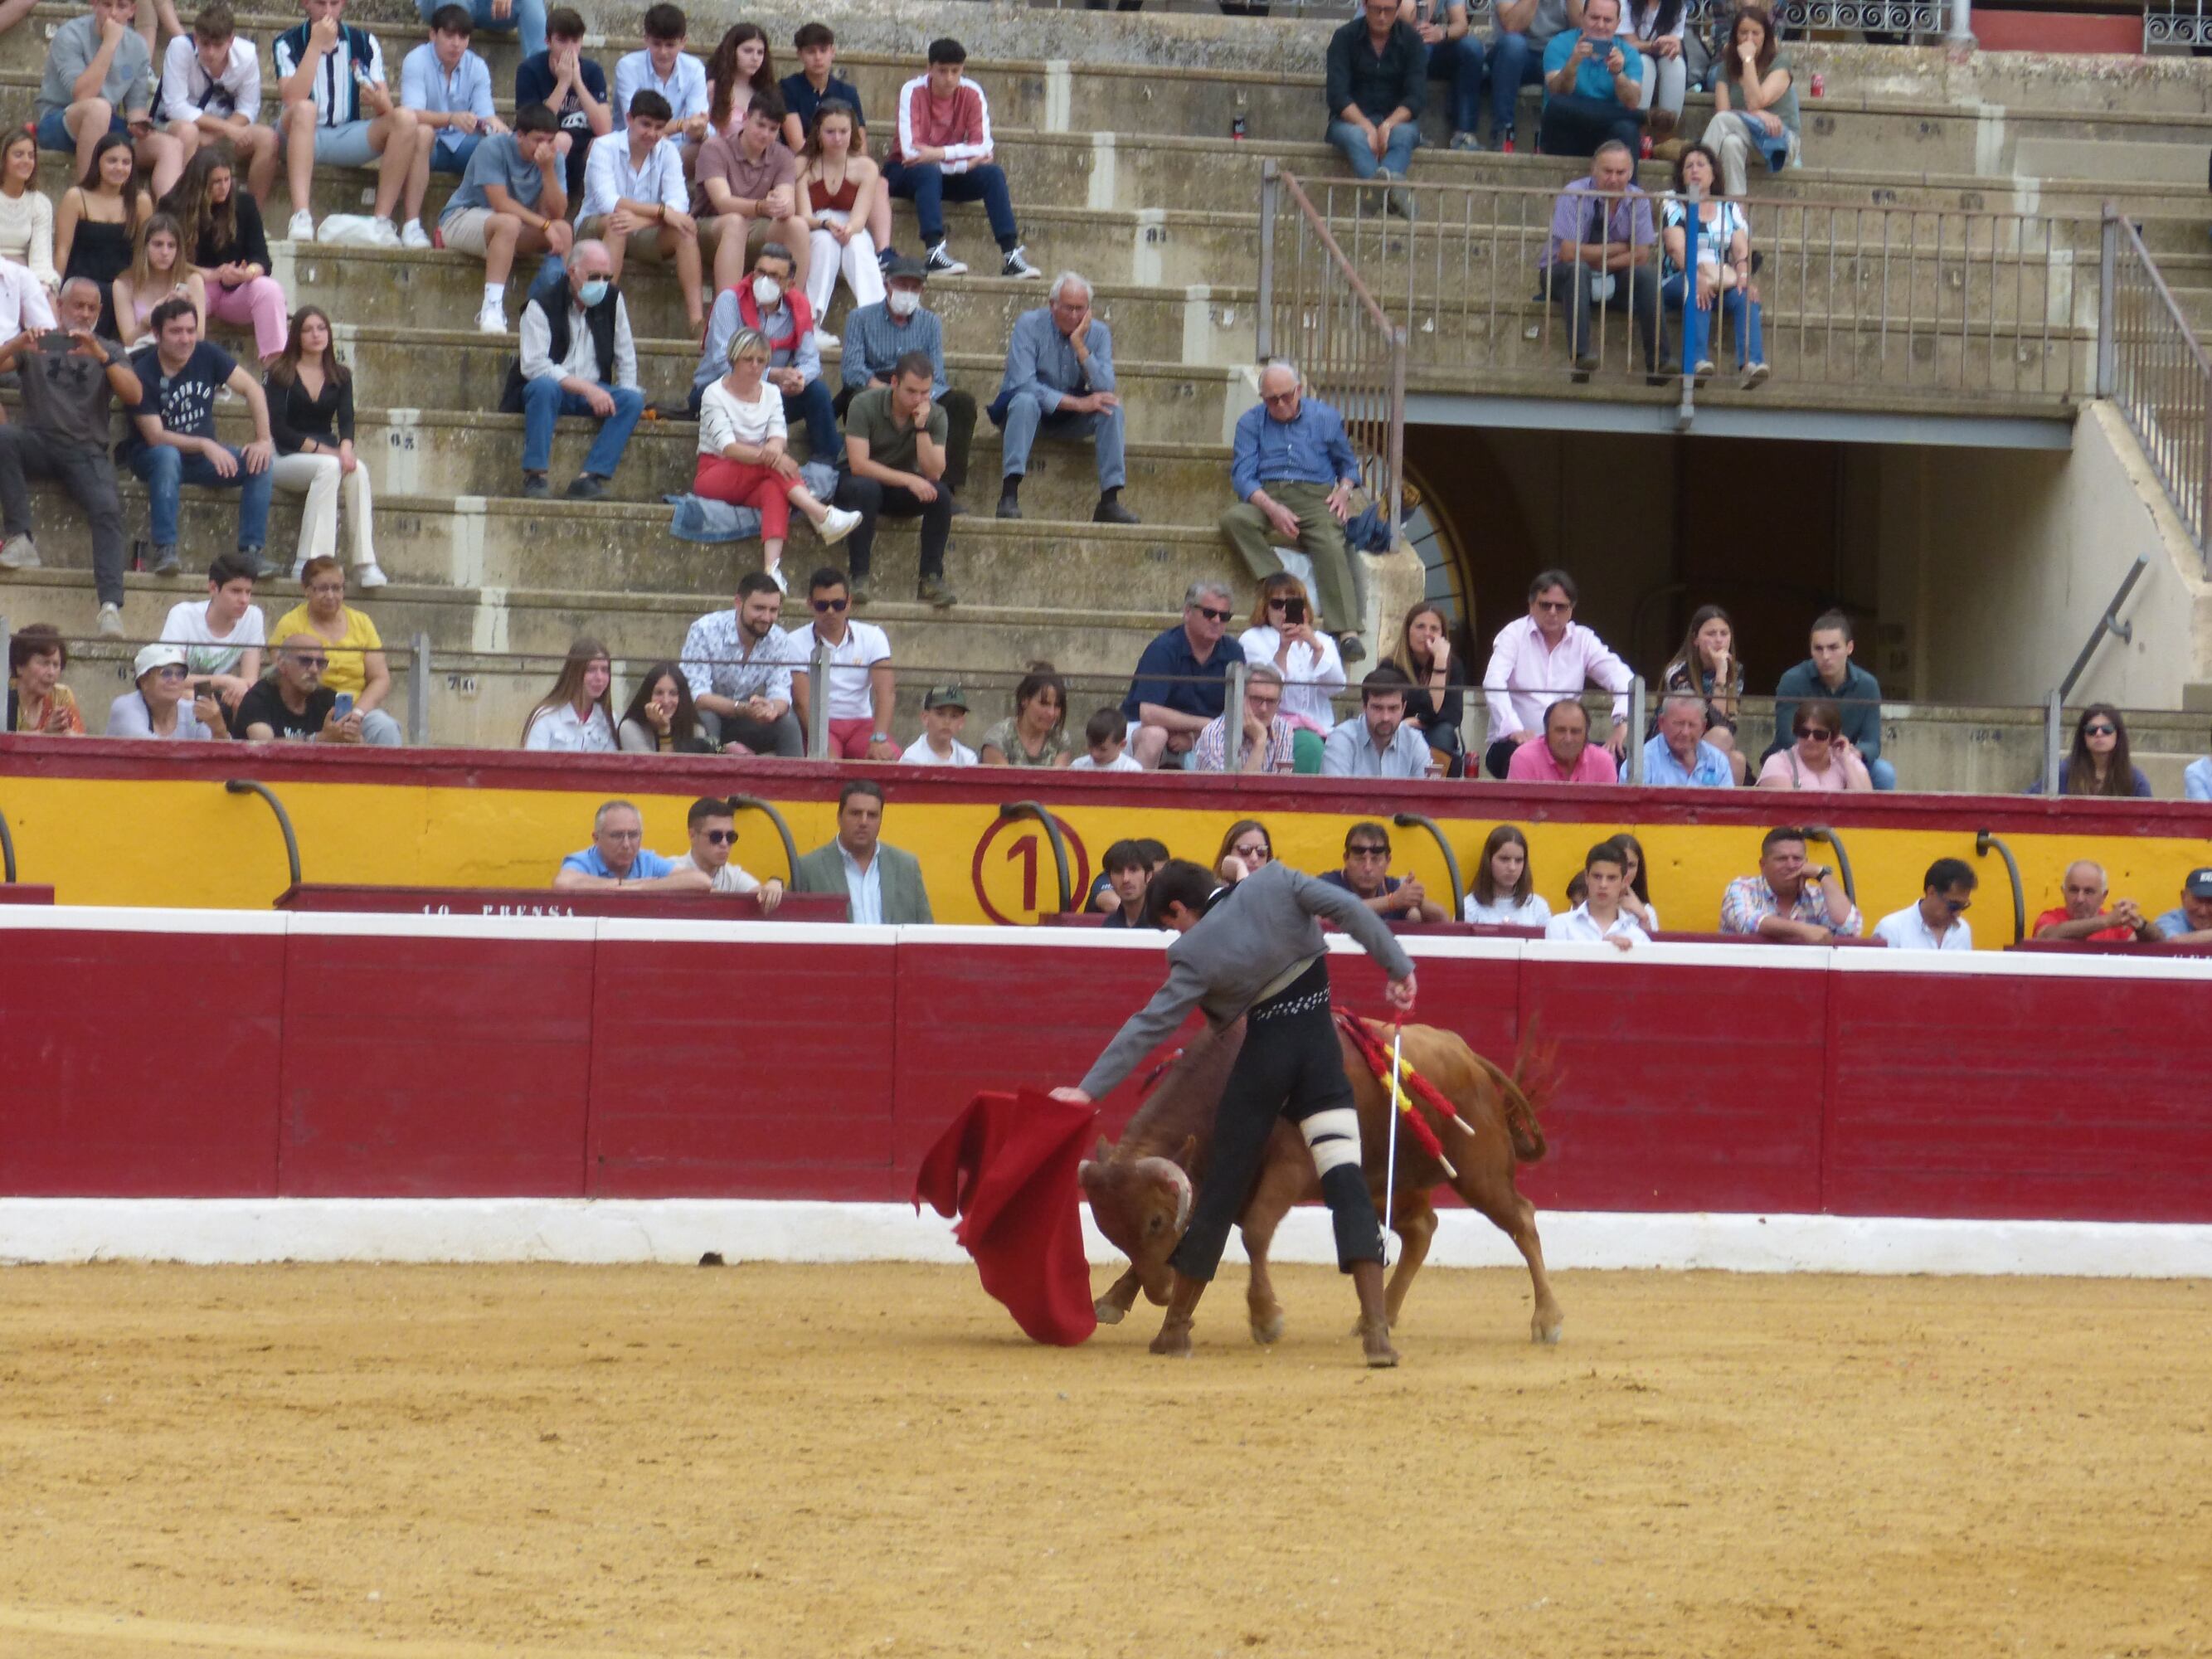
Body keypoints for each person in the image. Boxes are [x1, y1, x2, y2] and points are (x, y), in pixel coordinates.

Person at [1048, 856, 1417, 1367]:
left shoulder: (1195, 950)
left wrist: (1089, 1091)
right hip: (1320, 1058)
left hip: (1263, 1061)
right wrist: (1399, 968)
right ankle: (1377, 1332)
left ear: (1179, 908)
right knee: (1346, 1180)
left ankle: (1176, 1328)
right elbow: (1349, 909)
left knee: (1220, 1192)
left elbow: (1148, 1026)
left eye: (1171, 923)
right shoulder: (1279, 880)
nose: (1174, 933)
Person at [0, 276, 140, 636]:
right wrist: (13, 344)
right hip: (39, 441)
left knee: (107, 508)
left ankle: (110, 606)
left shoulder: (108, 348)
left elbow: (135, 396)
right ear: (59, 307)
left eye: (93, 308)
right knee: (2, 436)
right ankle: (20, 539)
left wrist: (102, 356)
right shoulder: (36, 343)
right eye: (78, 305)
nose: (85, 313)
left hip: (87, 452)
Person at [693, 325, 862, 592]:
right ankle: (820, 513)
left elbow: (778, 434)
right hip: (715, 472)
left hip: (757, 471)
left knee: (774, 489)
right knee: (774, 469)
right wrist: (772, 458)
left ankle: (772, 569)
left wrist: (774, 453)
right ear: (734, 359)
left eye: (761, 360)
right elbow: (727, 447)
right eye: (749, 359)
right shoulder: (714, 393)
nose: (755, 366)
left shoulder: (771, 392)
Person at [1220, 362, 1366, 661]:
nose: (1281, 404)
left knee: (1329, 539)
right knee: (1233, 520)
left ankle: (1347, 631)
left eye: (1286, 396)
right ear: (1262, 398)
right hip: (1268, 494)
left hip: (1316, 494)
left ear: (1299, 389)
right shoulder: (1250, 422)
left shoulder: (1325, 416)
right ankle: (1279, 583)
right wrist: (1272, 509)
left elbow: (1348, 464)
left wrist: (1344, 490)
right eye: (1272, 399)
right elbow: (1243, 476)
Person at [121, 297, 275, 577]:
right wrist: (206, 444)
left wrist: (263, 440)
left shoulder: (206, 354)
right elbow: (155, 436)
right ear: (157, 335)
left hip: (201, 460)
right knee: (167, 456)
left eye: (191, 331)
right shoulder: (142, 372)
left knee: (261, 461)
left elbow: (253, 389)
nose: (186, 339)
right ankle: (165, 550)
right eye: (176, 332)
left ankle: (252, 552)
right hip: (152, 457)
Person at [882, 38, 1039, 280]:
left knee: (992, 174)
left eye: (955, 71)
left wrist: (938, 154)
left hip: (941, 173)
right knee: (928, 172)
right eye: (942, 71)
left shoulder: (972, 92)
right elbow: (912, 153)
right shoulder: (911, 91)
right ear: (930, 69)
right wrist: (964, 162)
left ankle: (1010, 255)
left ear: (962, 69)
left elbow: (984, 146)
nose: (949, 78)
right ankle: (934, 252)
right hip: (904, 172)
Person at [989, 272, 1137, 525]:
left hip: (1070, 419)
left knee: (1111, 409)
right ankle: (1009, 494)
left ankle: (1109, 501)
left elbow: (1105, 386)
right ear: (1052, 305)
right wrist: (1079, 403)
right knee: (1025, 401)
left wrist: (1080, 346)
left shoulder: (1099, 333)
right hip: (1028, 414)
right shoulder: (1029, 324)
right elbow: (1023, 382)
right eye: (1068, 308)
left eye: (1081, 309)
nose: (1074, 316)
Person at [273, 0, 422, 246]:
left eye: (334, 3)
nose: (328, 11)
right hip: (300, 133)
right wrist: (314, 44)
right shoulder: (287, 42)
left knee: (405, 119)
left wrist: (377, 100)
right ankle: (301, 215)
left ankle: (381, 221)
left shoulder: (364, 42)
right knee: (305, 109)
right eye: (321, 3)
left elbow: (387, 107)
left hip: (346, 133)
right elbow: (292, 98)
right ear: (306, 4)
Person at [503, 241, 644, 500]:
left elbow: (626, 354)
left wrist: (620, 392)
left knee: (632, 399)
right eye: (594, 276)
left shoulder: (613, 299)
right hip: (552, 390)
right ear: (572, 272)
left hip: (592, 390)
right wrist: (587, 389)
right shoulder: (540, 304)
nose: (601, 283)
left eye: (606, 277)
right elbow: (534, 365)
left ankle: (590, 477)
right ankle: (536, 476)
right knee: (544, 387)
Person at [265, 304, 383, 585]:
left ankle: (366, 564)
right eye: (307, 330)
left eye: (321, 328)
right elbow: (279, 430)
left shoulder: (340, 375)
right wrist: (331, 453)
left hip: (324, 457)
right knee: (331, 467)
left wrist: (346, 449)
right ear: (297, 336)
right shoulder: (280, 373)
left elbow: (347, 420)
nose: (316, 335)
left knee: (358, 470)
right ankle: (310, 563)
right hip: (284, 456)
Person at [837, 253, 973, 494]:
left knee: (961, 403)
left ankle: (946, 486)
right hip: (876, 385)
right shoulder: (860, 318)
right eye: (901, 285)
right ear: (886, 284)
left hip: (919, 386)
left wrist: (921, 398)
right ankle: (867, 469)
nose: (908, 292)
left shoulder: (930, 323)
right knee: (855, 397)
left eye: (915, 287)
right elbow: (852, 369)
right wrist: (893, 393)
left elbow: (938, 374)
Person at [834, 351, 956, 611]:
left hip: (897, 487)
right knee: (866, 489)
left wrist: (921, 428)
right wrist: (910, 480)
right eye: (911, 391)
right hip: (855, 483)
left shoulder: (936, 415)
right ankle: (859, 578)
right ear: (894, 383)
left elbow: (934, 472)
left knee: (941, 494)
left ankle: (931, 578)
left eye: (925, 392)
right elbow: (858, 464)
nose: (919, 399)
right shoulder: (863, 403)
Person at [691, 242, 834, 464]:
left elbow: (811, 361)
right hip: (720, 392)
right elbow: (722, 362)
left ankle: (826, 467)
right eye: (761, 272)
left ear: (789, 285)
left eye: (775, 276)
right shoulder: (730, 300)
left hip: (768, 398)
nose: (765, 280)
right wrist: (773, 375)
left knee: (817, 393)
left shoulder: (799, 307)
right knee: (704, 396)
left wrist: (797, 377)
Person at [1482, 568, 1632, 778]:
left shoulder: (1584, 640)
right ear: (1531, 605)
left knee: (1620, 758)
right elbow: (1493, 682)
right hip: (1513, 742)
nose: (1553, 612)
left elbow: (1624, 678)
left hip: (1570, 744)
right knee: (1520, 756)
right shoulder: (1513, 634)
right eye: (1545, 605)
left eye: (1560, 607)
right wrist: (1513, 728)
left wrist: (1620, 723)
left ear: (1571, 610)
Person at [576, 89, 703, 333]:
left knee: (685, 230)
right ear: (629, 119)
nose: (652, 133)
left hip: (644, 229)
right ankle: (602, 313)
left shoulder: (668, 152)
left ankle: (697, 322)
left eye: (659, 127)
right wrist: (662, 212)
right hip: (594, 226)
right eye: (646, 124)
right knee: (618, 222)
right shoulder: (604, 146)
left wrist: (645, 221)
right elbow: (607, 201)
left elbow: (679, 205)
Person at [36, 0, 185, 200]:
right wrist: (110, 43)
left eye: (121, 6)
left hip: (105, 124)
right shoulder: (70, 35)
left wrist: (139, 125)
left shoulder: (137, 46)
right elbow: (83, 96)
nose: (113, 13)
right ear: (94, 4)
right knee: (99, 108)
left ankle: (167, 223)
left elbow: (135, 108)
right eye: (107, 4)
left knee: (171, 146)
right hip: (59, 120)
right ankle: (87, 201)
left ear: (132, 10)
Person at [444, 102, 571, 335]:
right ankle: (491, 307)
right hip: (461, 218)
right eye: (539, 140)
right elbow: (500, 204)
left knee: (563, 229)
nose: (546, 147)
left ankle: (550, 308)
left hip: (511, 229)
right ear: (520, 136)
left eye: (550, 141)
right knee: (509, 222)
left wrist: (548, 171)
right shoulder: (493, 147)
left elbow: (558, 213)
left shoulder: (553, 159)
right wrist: (543, 225)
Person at [159, 142, 287, 366]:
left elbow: (261, 257)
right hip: (193, 284)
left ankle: (276, 368)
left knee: (269, 289)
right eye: (216, 182)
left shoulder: (244, 204)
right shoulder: (172, 206)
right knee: (187, 289)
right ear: (201, 183)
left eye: (227, 180)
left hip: (234, 289)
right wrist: (211, 274)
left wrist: (248, 274)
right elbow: (165, 258)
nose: (224, 187)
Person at [1540, 140, 1659, 377]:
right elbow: (1567, 253)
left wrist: (1600, 262)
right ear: (1594, 169)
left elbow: (1642, 256)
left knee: (1646, 276)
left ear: (1630, 173)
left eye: (1621, 172)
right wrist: (1620, 247)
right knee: (1578, 270)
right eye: (1607, 171)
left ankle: (1659, 361)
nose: (1614, 179)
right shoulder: (1575, 194)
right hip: (1560, 273)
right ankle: (1581, 357)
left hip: (1611, 274)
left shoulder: (1639, 199)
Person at [782, 22, 893, 262]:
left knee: (880, 183)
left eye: (823, 50)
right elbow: (795, 141)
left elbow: (858, 142)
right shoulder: (788, 87)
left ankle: (883, 252)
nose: (818, 57)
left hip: (842, 163)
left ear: (832, 51)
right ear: (800, 54)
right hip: (808, 164)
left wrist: (850, 166)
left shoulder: (847, 91)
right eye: (811, 51)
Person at [399, 4, 504, 252]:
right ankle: (412, 223)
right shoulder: (416, 60)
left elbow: (487, 115)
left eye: (463, 37)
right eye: (449, 35)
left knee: (496, 146)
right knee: (421, 135)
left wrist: (501, 131)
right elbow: (410, 113)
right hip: (429, 144)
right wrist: (451, 118)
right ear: (433, 34)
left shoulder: (476, 66)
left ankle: (487, 225)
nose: (456, 43)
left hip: (463, 144)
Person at [1660, 144, 1767, 384]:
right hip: (1679, 276)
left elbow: (1740, 249)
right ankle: (1696, 362)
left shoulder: (1728, 208)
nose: (1695, 170)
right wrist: (1694, 276)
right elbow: (1675, 247)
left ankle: (1752, 364)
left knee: (1745, 297)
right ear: (1681, 175)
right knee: (1698, 292)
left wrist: (1743, 277)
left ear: (1713, 173)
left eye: (1701, 165)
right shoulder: (1674, 203)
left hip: (1720, 278)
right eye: (1689, 166)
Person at [269, 555, 401, 743]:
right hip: (311, 711)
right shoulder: (290, 624)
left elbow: (380, 678)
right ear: (306, 589)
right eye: (323, 588)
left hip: (357, 710)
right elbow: (285, 676)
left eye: (337, 588)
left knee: (385, 727)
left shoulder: (361, 622)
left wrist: (357, 713)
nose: (330, 596)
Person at [159, 3, 279, 204]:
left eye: (218, 45)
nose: (211, 52)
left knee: (268, 138)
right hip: (182, 126)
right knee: (188, 132)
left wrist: (216, 134)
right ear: (196, 37)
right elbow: (175, 107)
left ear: (231, 40)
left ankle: (252, 216)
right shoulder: (180, 47)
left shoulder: (247, 54)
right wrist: (226, 128)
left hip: (223, 127)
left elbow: (249, 107)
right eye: (204, 44)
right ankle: (186, 210)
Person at [693, 96, 809, 299]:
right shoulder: (715, 148)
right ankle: (727, 313)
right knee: (735, 222)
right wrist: (761, 207)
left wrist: (780, 205)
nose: (765, 134)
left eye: (773, 129)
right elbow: (722, 203)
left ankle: (793, 308)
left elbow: (788, 203)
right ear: (746, 118)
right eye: (760, 125)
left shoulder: (783, 155)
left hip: (755, 227)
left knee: (797, 226)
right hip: (710, 226)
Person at [1123, 579, 1246, 769]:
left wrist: (1196, 737)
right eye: (1209, 613)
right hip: (1142, 731)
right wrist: (1205, 725)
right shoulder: (1163, 649)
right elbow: (1148, 713)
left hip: (1201, 737)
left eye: (1224, 616)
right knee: (1155, 735)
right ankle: (1135, 798)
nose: (1216, 621)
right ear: (1188, 612)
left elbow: (1239, 711)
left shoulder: (1233, 652)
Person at [681, 573, 805, 756]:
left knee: (786, 721)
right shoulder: (705, 630)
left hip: (748, 720)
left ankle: (796, 782)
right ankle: (704, 782)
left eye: (773, 610)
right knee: (705, 717)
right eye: (759, 608)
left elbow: (781, 692)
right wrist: (743, 709)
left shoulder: (778, 638)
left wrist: (770, 709)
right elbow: (697, 696)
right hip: (708, 716)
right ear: (738, 603)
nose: (766, 617)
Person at [1767, 611, 1894, 790]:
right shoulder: (1792, 680)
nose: (1825, 656)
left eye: (1833, 648)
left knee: (1884, 772)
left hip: (1843, 755)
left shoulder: (1867, 684)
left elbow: (1872, 743)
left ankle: (1877, 819)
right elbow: (1786, 736)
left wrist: (1851, 752)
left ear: (1849, 648)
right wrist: (1824, 751)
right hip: (1800, 756)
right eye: (1818, 648)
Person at [1325, 0, 1425, 218]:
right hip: (1350, 120)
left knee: (1405, 135)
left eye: (1388, 10)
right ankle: (1393, 195)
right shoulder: (1344, 37)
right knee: (1354, 137)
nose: (1381, 16)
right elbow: (1337, 95)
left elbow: (1416, 97)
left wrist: (1388, 124)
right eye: (1375, 9)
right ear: (1364, 6)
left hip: (1397, 120)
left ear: (1398, 9)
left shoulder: (1412, 41)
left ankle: (1374, 195)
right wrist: (1366, 126)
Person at [788, 566, 897, 761]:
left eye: (837, 604)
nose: (830, 611)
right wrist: (823, 743)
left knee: (889, 760)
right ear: (810, 604)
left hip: (862, 725)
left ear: (849, 603)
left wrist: (879, 738)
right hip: (818, 725)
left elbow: (886, 693)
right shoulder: (793, 641)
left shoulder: (873, 636)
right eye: (822, 605)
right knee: (824, 765)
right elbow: (802, 703)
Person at [795, 102, 884, 338]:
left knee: (858, 246)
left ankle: (877, 321)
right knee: (825, 244)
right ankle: (810, 324)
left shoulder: (866, 168)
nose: (838, 138)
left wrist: (849, 230)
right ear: (818, 133)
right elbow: (804, 216)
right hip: (815, 223)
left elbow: (860, 217)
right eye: (830, 132)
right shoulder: (802, 165)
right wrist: (824, 224)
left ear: (852, 132)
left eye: (844, 131)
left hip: (850, 224)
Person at [791, 778, 933, 923]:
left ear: (880, 820)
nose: (864, 822)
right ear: (839, 817)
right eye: (855, 813)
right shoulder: (809, 868)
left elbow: (926, 931)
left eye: (872, 815)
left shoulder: (906, 867)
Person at [56, 131, 151, 340]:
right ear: (97, 162)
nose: (119, 167)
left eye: (126, 162)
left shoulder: (141, 201)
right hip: (82, 286)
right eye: (112, 161)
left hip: (121, 289)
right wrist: (55, 291)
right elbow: (63, 249)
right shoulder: (76, 197)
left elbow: (143, 252)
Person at [513, 7, 609, 209]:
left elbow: (605, 130)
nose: (570, 49)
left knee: (603, 145)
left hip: (582, 142)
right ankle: (543, 208)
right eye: (562, 41)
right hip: (546, 140)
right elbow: (532, 125)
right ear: (548, 42)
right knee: (562, 140)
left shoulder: (592, 71)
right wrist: (563, 84)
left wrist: (578, 84)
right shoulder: (529, 70)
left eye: (575, 41)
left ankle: (594, 208)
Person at [1242, 572, 1345, 756]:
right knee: (1309, 746)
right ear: (1265, 607)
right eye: (1277, 604)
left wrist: (1316, 647)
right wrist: (1283, 649)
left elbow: (1336, 686)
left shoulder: (1323, 641)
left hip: (1323, 728)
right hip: (1275, 728)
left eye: (1292, 604)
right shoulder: (1252, 639)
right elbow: (1265, 688)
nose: (1284, 611)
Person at [1705, 5, 1799, 198]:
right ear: (1735, 37)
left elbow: (1756, 102)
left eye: (1755, 33)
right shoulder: (1726, 68)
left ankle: (1694, 184)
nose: (1749, 39)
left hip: (1780, 141)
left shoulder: (1780, 63)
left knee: (1725, 123)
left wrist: (1748, 60)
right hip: (1749, 141)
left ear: (1766, 36)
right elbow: (1722, 113)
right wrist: (1759, 115)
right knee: (1731, 143)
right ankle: (1737, 212)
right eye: (1743, 33)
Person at [160, 548, 262, 724]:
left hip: (218, 697)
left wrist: (232, 688)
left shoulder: (253, 616)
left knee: (247, 701)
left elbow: (249, 682)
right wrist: (225, 681)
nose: (244, 600)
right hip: (178, 696)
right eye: (236, 591)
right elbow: (171, 678)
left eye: (248, 592)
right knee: (183, 696)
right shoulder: (182, 615)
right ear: (213, 588)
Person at [1719, 825, 1863, 941]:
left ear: (1806, 863)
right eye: (1782, 859)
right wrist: (1804, 930)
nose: (1790, 865)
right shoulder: (1742, 887)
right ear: (1763, 865)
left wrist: (1822, 875)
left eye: (1797, 858)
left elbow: (1850, 929)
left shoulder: (1816, 895)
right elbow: (1747, 922)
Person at [1539, 0, 1644, 158]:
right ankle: (1642, 117)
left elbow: (1632, 102)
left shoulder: (1628, 53)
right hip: (1566, 133)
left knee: (1628, 130)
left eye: (1607, 20)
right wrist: (1573, 63)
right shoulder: (1559, 44)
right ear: (1582, 18)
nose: (1600, 25)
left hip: (1606, 135)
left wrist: (1618, 74)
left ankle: (1630, 184)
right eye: (1594, 18)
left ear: (1617, 24)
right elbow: (1557, 92)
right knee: (1557, 105)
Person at [1660, 602, 1746, 782]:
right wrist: (1721, 675)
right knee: (1721, 736)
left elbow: (1728, 725)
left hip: (1713, 743)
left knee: (1737, 760)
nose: (1718, 640)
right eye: (1711, 634)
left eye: (1724, 633)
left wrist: (1723, 671)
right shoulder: (1678, 673)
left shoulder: (1735, 670)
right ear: (1695, 639)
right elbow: (1708, 722)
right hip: (1677, 739)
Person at [1486, 0, 1585, 153]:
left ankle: (1549, 139)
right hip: (1513, 56)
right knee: (1514, 44)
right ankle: (1503, 133)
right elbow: (1513, 26)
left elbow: (1583, 30)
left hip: (1553, 53)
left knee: (1563, 56)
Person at [233, 629, 362, 742]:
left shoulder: (328, 700)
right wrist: (320, 739)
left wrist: (354, 739)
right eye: (305, 661)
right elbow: (264, 746)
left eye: (320, 663)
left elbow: (364, 750)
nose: (314, 669)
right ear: (282, 664)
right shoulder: (259, 697)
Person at [554, 799, 712, 892]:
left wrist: (639, 889)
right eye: (616, 835)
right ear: (596, 838)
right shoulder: (584, 860)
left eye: (633, 835)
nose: (626, 844)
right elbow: (563, 883)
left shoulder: (647, 860)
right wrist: (624, 884)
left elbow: (702, 881)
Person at [610, 3, 709, 144]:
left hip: (680, 145)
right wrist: (681, 125)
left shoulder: (694, 68)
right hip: (634, 144)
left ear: (683, 42)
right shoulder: (628, 66)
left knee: (707, 146)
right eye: (657, 44)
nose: (663, 52)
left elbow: (696, 123)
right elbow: (636, 124)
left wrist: (697, 127)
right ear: (646, 39)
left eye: (670, 45)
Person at [1398, 0, 1485, 152]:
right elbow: (1408, 21)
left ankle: (1464, 135)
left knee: (1471, 48)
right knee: (1419, 51)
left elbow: (1461, 25)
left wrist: (1443, 33)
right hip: (1399, 44)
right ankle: (1408, 132)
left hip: (1432, 45)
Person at [1321, 820, 1449, 922]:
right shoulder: (1327, 884)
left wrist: (1417, 900)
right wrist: (1392, 902)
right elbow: (1335, 913)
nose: (1368, 868)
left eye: (1376, 860)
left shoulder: (1393, 887)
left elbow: (1443, 921)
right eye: (1360, 859)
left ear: (1388, 861)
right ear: (1346, 859)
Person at [1384, 601, 1460, 772]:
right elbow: (1431, 708)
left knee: (1444, 732)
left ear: (1443, 635)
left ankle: (1434, 791)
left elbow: (1454, 715)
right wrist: (1422, 718)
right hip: (1397, 731)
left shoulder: (1454, 665)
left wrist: (1440, 662)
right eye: (1420, 627)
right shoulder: (1391, 666)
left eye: (1434, 629)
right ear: (1408, 630)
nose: (1427, 634)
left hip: (1434, 734)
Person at [112, 212, 206, 348]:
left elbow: (200, 336)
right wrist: (146, 322)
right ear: (144, 247)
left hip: (182, 351)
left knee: (214, 353)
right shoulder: (123, 284)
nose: (165, 253)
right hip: (144, 353)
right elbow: (129, 342)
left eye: (171, 245)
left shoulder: (192, 280)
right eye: (158, 244)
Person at [668, 795, 785, 902]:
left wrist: (774, 884)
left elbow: (760, 895)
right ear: (692, 835)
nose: (724, 843)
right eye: (716, 836)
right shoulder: (669, 868)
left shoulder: (733, 876)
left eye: (730, 837)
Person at [1322, 664, 1431, 778]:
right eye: (1377, 708)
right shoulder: (1342, 739)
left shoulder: (1414, 742)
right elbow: (1336, 794)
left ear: (1403, 708)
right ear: (1364, 706)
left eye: (1393, 708)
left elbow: (1425, 794)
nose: (1385, 717)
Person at [1190, 663, 1295, 775]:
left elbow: (1282, 783)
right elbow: (1235, 791)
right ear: (1239, 697)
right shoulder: (1214, 734)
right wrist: (1260, 741)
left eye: (1271, 701)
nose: (1264, 709)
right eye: (1256, 699)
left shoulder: (1283, 729)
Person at [2030, 704, 2153, 799]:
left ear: (2118, 734)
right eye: (2091, 729)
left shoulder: (2136, 780)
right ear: (2083, 736)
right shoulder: (2062, 773)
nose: (2099, 734)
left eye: (2107, 729)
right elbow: (2028, 801)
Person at [105, 640, 221, 738]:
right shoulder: (125, 707)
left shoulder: (192, 713)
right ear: (144, 681)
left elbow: (218, 757)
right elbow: (153, 750)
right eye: (166, 673)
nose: (174, 680)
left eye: (181, 674)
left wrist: (218, 728)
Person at [1546, 839, 1648, 949]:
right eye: (1597, 876)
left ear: (1624, 882)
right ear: (1586, 877)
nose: (1603, 885)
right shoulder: (1560, 925)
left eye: (1612, 878)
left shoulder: (1638, 938)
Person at [521, 635, 615, 752]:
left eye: (605, 670)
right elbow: (532, 764)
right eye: (591, 670)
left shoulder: (609, 720)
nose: (599, 677)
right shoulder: (546, 717)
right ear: (574, 672)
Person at [1757, 698, 1872, 791]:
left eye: (1820, 734)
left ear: (1833, 737)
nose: (1810, 739)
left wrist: (1846, 762)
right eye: (1804, 733)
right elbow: (1785, 812)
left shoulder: (1848, 761)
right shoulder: (1778, 762)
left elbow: (1865, 810)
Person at [2031, 860, 2157, 943]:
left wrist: (2140, 925)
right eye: (2074, 890)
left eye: (2088, 892)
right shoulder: (2049, 918)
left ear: (2104, 896)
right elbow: (2049, 937)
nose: (2080, 899)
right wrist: (2107, 921)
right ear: (2063, 892)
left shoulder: (2117, 925)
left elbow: (2161, 947)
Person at [0, 130, 61, 294]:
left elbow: (41, 260)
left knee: (48, 294)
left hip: (21, 276)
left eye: (31, 156)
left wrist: (42, 287)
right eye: (18, 155)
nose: (26, 161)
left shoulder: (40, 204)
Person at [979, 664, 1073, 767]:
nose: (1051, 713)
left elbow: (1058, 780)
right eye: (1044, 704)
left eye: (1057, 705)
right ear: (1025, 700)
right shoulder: (998, 738)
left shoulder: (1059, 738)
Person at [1874, 858, 1976, 952]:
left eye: (1963, 906)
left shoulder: (1963, 930)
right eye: (1953, 905)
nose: (1958, 914)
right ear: (1931, 892)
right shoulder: (1891, 929)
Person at [1633, 691, 1734, 786]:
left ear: (1703, 727)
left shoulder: (1717, 761)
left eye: (1692, 725)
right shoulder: (1641, 764)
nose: (1685, 732)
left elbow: (1728, 804)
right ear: (1661, 723)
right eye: (1679, 724)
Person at [1505, 696, 1614, 783]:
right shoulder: (1524, 759)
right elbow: (1518, 809)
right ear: (1547, 731)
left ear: (1586, 733)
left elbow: (1609, 810)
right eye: (1561, 730)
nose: (1568, 739)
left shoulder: (1603, 762)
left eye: (1575, 731)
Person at [1462, 824, 1552, 927]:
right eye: (1504, 859)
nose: (1512, 868)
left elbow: (1549, 941)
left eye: (1519, 860)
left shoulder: (1537, 906)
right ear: (1489, 861)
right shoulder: (1469, 907)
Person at [7, 624, 86, 735]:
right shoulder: (4, 698)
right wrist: (45, 734)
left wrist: (69, 736)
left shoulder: (62, 696)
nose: (51, 673)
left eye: (56, 665)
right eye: (44, 663)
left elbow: (83, 743)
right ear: (19, 666)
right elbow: (6, 743)